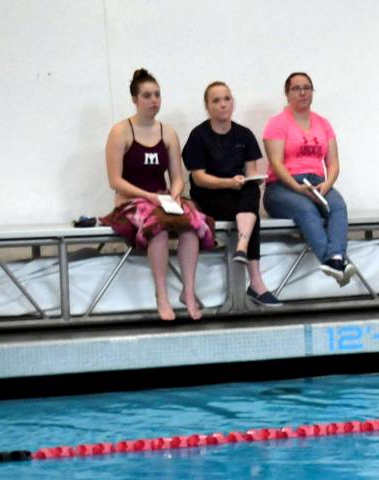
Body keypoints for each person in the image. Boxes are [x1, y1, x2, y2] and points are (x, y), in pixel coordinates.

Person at [102, 69, 214, 321]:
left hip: (161, 199)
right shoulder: (121, 132)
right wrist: (148, 196)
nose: (154, 100)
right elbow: (115, 181)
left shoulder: (168, 132)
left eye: (157, 95)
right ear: (134, 100)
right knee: (159, 229)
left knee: (192, 225)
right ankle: (162, 295)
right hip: (131, 201)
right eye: (147, 96)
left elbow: (176, 176)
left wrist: (175, 193)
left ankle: (188, 291)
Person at [182, 81, 280, 308]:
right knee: (250, 212)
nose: (223, 104)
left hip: (239, 196)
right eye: (216, 100)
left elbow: (251, 173)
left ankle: (242, 248)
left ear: (233, 102)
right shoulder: (199, 135)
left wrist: (248, 180)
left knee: (251, 192)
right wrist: (228, 182)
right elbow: (198, 178)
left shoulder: (244, 135)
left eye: (227, 99)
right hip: (209, 197)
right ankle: (256, 282)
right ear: (207, 106)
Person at [262, 72, 357, 287]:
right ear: (287, 94)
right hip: (282, 186)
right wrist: (296, 186)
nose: (303, 92)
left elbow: (333, 163)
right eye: (296, 88)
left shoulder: (323, 124)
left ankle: (334, 259)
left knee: (338, 207)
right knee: (306, 209)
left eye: (307, 87)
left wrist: (327, 184)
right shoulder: (277, 123)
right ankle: (338, 261)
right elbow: (276, 162)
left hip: (317, 184)